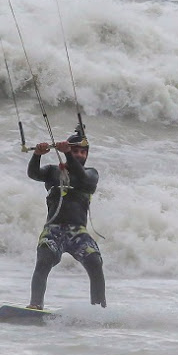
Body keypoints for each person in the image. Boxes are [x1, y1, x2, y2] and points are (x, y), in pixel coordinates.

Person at [25, 126, 106, 309]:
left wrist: (68, 153)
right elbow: (33, 174)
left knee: (95, 262)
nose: (79, 155)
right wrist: (37, 154)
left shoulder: (91, 174)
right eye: (75, 151)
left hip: (78, 232)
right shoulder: (53, 172)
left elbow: (82, 178)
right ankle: (35, 305)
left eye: (82, 152)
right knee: (44, 259)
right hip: (53, 230)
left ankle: (99, 310)